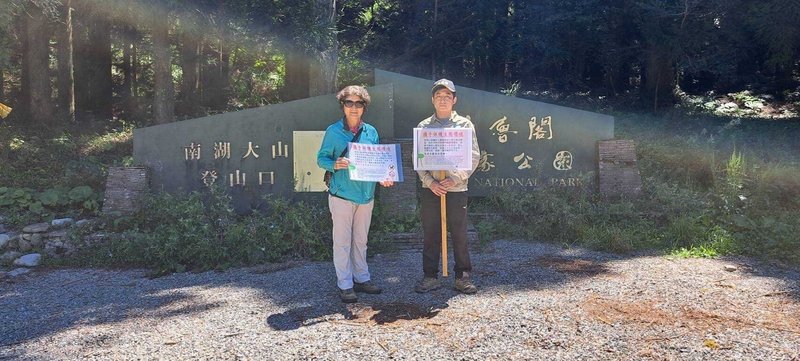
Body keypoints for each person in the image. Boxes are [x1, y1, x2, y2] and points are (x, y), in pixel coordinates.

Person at [317, 85, 394, 303]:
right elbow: (321, 159)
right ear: (342, 105)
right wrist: (335, 163)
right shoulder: (333, 131)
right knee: (342, 241)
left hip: (366, 195)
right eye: (349, 103)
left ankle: (362, 278)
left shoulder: (371, 132)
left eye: (358, 103)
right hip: (341, 195)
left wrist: (383, 176)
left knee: (361, 240)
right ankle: (345, 284)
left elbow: (377, 162)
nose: (353, 107)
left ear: (364, 107)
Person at [415, 79, 481, 295]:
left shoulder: (464, 125)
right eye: (438, 96)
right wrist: (431, 183)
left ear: (454, 100)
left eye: (447, 96)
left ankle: (463, 276)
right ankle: (430, 276)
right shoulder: (424, 127)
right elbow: (419, 160)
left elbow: (473, 156)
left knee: (459, 233)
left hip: (456, 190)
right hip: (432, 190)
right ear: (432, 100)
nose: (443, 100)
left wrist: (455, 179)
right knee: (431, 233)